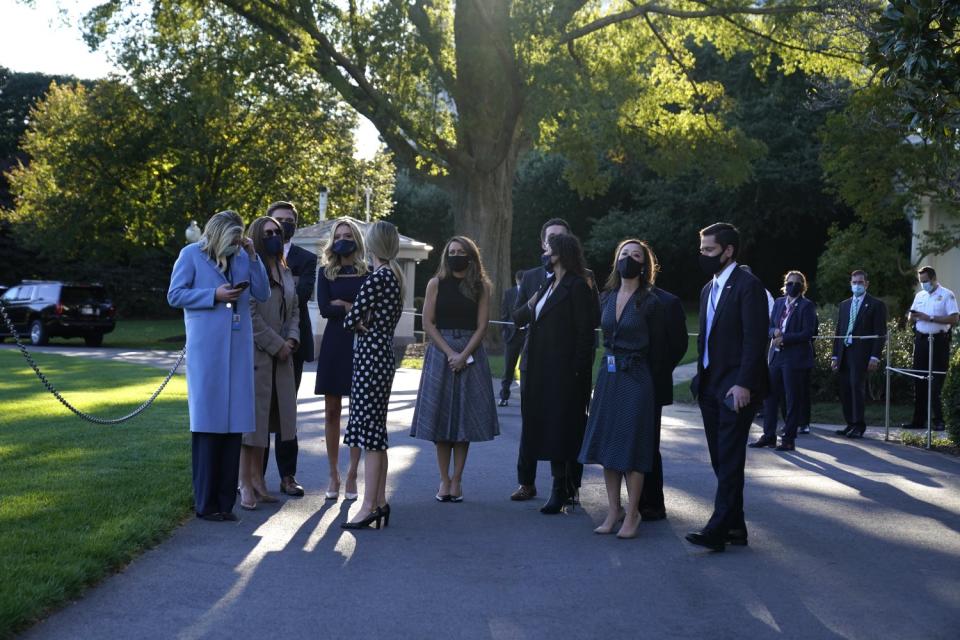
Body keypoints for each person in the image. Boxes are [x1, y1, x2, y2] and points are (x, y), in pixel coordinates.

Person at [167, 210, 270, 521]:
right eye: (232, 239)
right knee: (208, 428)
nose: (235, 246)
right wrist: (214, 294)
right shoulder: (190, 255)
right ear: (216, 234)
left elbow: (262, 293)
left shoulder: (242, 257)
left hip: (238, 351)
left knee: (233, 428)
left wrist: (254, 257)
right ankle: (205, 504)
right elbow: (175, 295)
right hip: (207, 350)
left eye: (239, 240)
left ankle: (225, 505)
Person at [687, 222, 768, 552]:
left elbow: (755, 339)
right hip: (709, 386)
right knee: (721, 460)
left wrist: (744, 383)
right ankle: (736, 527)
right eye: (702, 249)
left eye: (709, 250)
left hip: (736, 388)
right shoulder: (709, 289)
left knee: (731, 459)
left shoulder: (748, 286)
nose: (703, 255)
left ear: (728, 250)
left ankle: (717, 529)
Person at [579, 239, 667, 538]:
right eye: (624, 254)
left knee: (632, 445)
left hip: (636, 377)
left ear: (645, 264)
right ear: (616, 260)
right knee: (607, 443)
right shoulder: (606, 297)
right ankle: (613, 509)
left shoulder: (651, 300)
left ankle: (633, 513)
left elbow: (661, 348)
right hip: (609, 375)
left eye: (636, 255)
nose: (629, 259)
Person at [510, 217, 599, 502]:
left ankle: (566, 487)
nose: (550, 249)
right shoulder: (535, 279)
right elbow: (518, 317)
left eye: (559, 240)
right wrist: (533, 300)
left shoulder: (582, 280)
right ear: (543, 242)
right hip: (535, 364)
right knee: (534, 423)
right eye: (550, 240)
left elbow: (588, 327)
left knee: (565, 425)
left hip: (565, 368)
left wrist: (578, 369)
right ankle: (527, 482)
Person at [411, 236, 500, 502]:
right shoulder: (435, 284)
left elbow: (482, 326)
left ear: (471, 256)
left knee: (464, 421)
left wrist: (464, 355)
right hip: (441, 353)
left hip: (471, 352)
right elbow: (428, 323)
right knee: (441, 421)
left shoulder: (481, 286)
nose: (456, 255)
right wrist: (451, 353)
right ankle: (444, 480)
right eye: (451, 251)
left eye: (461, 252)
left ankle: (457, 480)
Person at [341, 220, 404, 530]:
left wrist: (356, 315)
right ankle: (378, 502)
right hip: (382, 355)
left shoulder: (376, 278)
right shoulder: (394, 277)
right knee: (375, 429)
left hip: (370, 356)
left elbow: (349, 319)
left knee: (371, 432)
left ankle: (369, 505)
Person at [238, 216, 300, 510]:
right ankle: (245, 484)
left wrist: (291, 340)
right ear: (257, 237)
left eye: (278, 231)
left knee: (269, 422)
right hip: (258, 356)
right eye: (269, 233)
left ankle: (260, 482)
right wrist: (277, 345)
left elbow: (296, 308)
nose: (276, 235)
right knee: (251, 425)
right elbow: (250, 313)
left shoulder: (283, 267)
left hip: (283, 357)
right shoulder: (250, 268)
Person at [263, 202, 316, 497]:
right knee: (258, 411)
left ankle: (288, 476)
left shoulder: (307, 258)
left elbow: (302, 293)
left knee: (287, 411)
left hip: (293, 343)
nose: (284, 225)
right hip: (259, 344)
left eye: (289, 220)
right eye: (278, 220)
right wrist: (288, 283)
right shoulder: (255, 255)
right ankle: (254, 477)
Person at [315, 218, 367, 500]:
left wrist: (344, 306)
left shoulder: (368, 272)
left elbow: (369, 310)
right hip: (335, 343)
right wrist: (353, 307)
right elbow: (325, 308)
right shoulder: (325, 273)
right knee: (332, 410)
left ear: (357, 239)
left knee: (358, 412)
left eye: (348, 235)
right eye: (339, 235)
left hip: (361, 343)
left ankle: (352, 474)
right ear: (333, 240)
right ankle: (333, 473)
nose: (343, 239)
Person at [639, 261, 688, 522]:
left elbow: (679, 344)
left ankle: (652, 503)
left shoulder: (668, 302)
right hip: (621, 384)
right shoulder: (614, 297)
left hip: (651, 384)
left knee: (648, 444)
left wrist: (657, 370)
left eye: (637, 256)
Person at [749, 271, 817, 452]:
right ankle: (768, 435)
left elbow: (808, 333)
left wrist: (785, 338)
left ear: (802, 286)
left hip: (794, 358)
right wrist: (774, 333)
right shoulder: (779, 303)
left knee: (792, 398)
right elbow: (770, 325)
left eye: (796, 283)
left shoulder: (806, 306)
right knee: (769, 397)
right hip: (776, 356)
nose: (792, 286)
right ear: (784, 285)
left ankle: (788, 438)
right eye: (789, 283)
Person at [901, 266, 958, 431]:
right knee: (919, 380)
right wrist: (913, 316)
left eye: (925, 281)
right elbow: (911, 316)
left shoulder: (947, 295)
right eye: (921, 281)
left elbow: (954, 318)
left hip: (939, 341)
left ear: (933, 279)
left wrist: (930, 318)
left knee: (936, 382)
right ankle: (918, 420)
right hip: (921, 340)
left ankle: (939, 420)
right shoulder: (920, 295)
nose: (923, 284)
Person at [831, 270, 887, 438]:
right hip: (844, 353)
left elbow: (880, 333)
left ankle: (858, 425)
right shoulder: (844, 304)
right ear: (850, 283)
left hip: (861, 354)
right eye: (854, 282)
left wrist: (875, 356)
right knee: (845, 390)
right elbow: (839, 331)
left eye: (860, 282)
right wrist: (835, 356)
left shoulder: (876, 305)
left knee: (856, 388)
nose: (857, 285)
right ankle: (849, 423)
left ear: (866, 284)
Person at [498, 270, 525, 407]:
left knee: (526, 368)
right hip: (512, 336)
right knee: (508, 367)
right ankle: (504, 396)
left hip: (527, 335)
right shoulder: (509, 293)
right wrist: (505, 332)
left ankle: (527, 397)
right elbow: (504, 313)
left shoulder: (531, 292)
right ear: (517, 280)